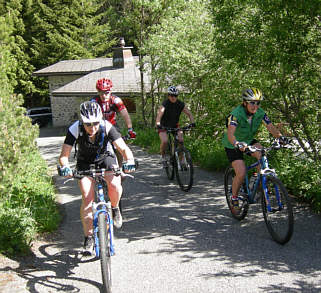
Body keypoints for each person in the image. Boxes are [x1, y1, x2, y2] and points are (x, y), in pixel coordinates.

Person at [58, 101, 136, 254]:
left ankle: (114, 208)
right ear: (82, 121)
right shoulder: (75, 128)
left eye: (95, 123)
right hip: (84, 162)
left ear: (100, 120)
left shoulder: (106, 126)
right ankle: (88, 237)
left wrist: (130, 161)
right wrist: (65, 167)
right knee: (87, 198)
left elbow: (123, 148)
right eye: (88, 124)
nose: (92, 127)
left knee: (115, 184)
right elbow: (64, 155)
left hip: (105, 158)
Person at [222, 88, 289, 214]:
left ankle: (259, 182)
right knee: (241, 173)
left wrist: (281, 138)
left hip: (248, 140)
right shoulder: (235, 114)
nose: (255, 106)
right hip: (233, 144)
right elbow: (230, 133)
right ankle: (234, 198)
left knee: (262, 154)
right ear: (245, 102)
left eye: (258, 103)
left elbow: (270, 127)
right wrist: (237, 143)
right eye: (252, 102)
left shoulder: (260, 113)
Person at [155, 86, 195, 165]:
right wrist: (158, 124)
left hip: (175, 125)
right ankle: (162, 156)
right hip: (163, 125)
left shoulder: (180, 104)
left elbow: (189, 113)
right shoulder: (165, 104)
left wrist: (192, 122)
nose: (173, 97)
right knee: (165, 141)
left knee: (180, 140)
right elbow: (159, 115)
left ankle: (182, 159)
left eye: (175, 95)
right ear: (168, 95)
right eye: (171, 95)